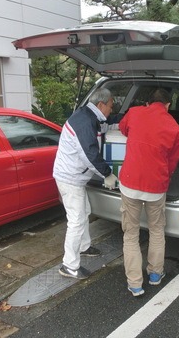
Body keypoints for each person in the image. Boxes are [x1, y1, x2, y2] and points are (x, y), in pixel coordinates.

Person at [118, 88, 179, 296]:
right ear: (168, 105)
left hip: (129, 184)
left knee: (131, 234)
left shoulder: (135, 112)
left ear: (148, 103)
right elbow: (173, 162)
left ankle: (135, 284)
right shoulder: (175, 128)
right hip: (156, 187)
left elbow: (122, 128)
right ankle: (155, 274)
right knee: (156, 230)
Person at [53, 87, 118, 280]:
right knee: (76, 221)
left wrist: (124, 121)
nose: (111, 110)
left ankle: (84, 246)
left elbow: (105, 126)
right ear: (101, 104)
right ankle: (69, 266)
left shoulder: (90, 117)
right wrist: (107, 174)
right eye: (111, 106)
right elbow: (90, 154)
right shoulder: (84, 122)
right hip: (70, 178)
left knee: (85, 212)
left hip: (74, 176)